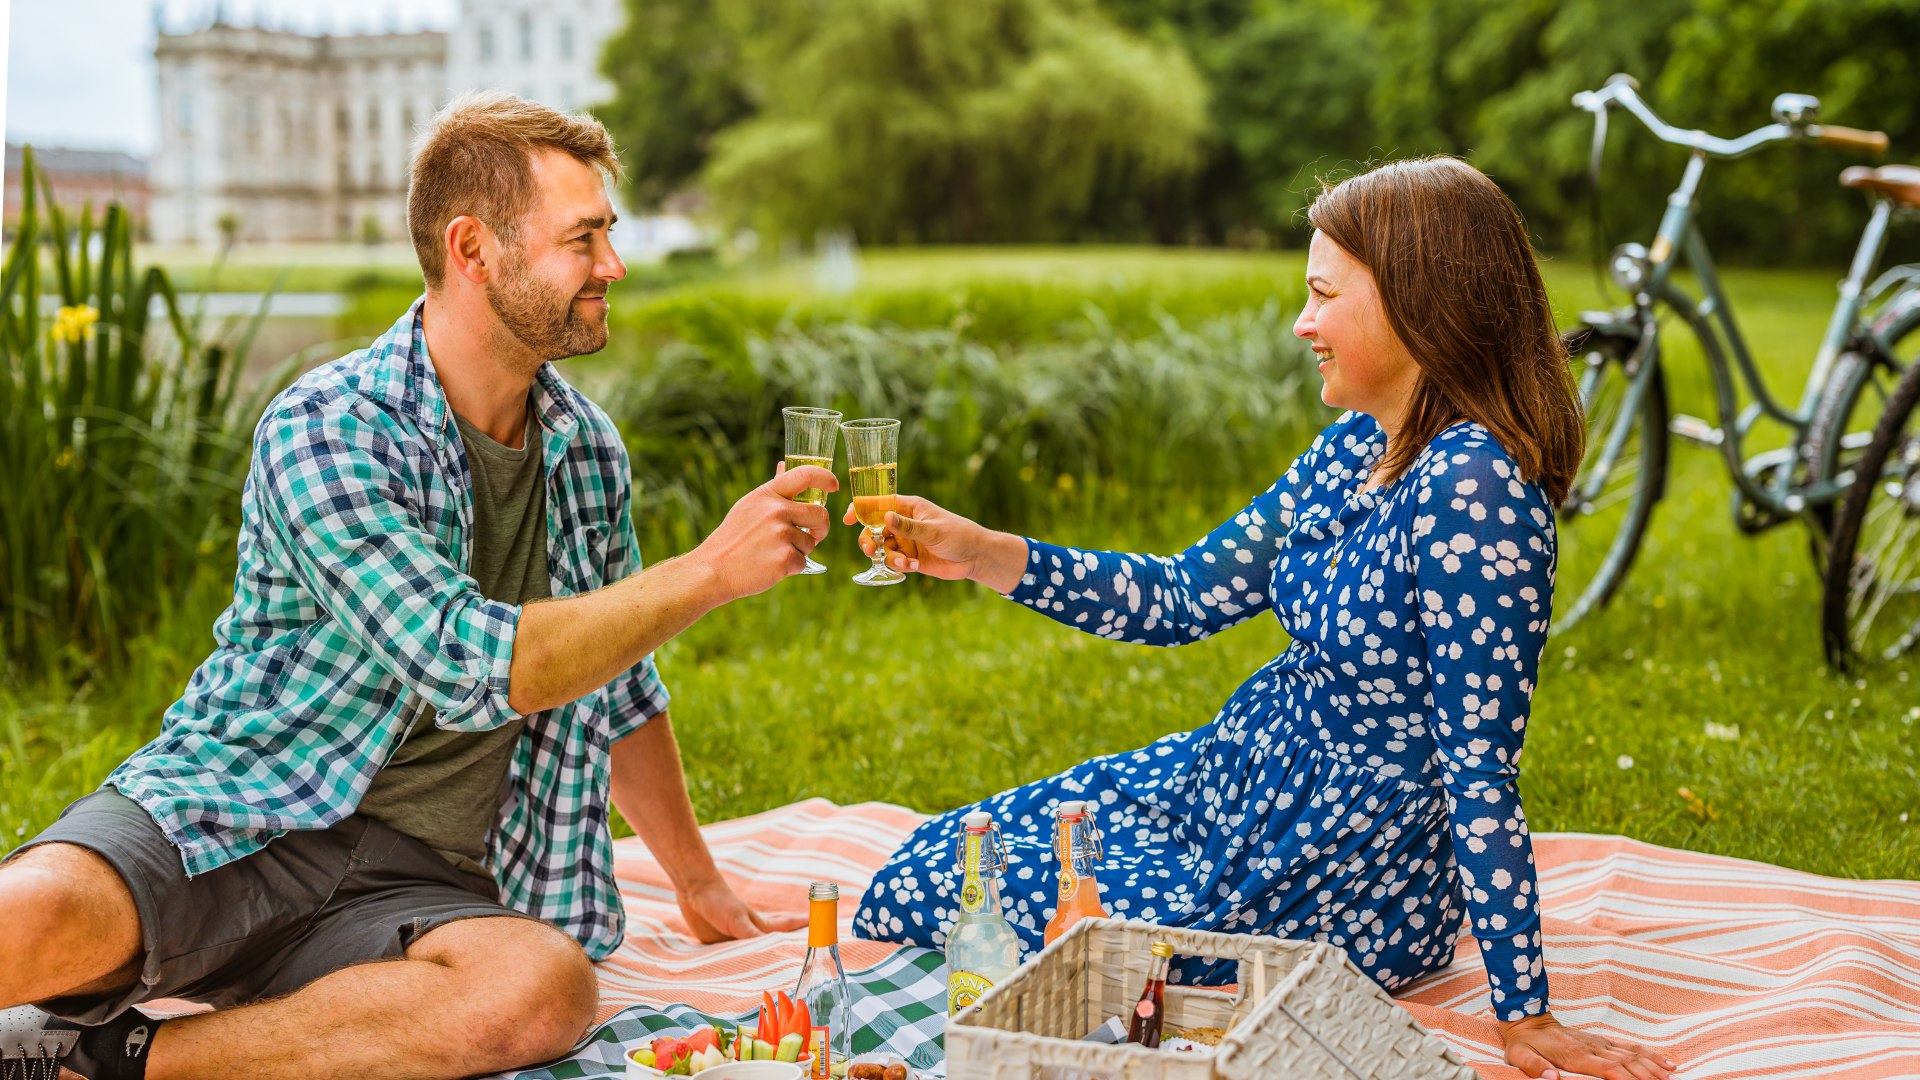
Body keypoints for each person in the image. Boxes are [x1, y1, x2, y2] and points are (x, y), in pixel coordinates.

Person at [0, 93, 834, 1080]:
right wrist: (706, 574)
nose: (613, 267)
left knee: (542, 990)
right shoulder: (330, 423)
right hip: (240, 813)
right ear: (473, 248)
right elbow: (464, 660)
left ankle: (103, 1058)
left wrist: (702, 888)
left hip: (418, 884)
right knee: (37, 909)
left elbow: (621, 688)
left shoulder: (586, 452)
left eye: (608, 235)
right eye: (583, 239)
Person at [850, 158, 1677, 1080]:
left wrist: (1525, 1017)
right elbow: (1179, 596)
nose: (1303, 322)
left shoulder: (1477, 493)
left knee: (1012, 918)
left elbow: (1479, 768)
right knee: (928, 870)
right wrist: (982, 553)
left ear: (1419, 303)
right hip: (1231, 784)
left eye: (1324, 295)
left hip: (1334, 864)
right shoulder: (1362, 441)